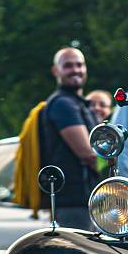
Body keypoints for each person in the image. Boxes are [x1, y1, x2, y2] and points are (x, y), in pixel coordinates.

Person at [39, 47, 99, 230]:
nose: (76, 70)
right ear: (55, 71)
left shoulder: (79, 103)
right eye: (68, 66)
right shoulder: (63, 104)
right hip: (73, 203)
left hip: (85, 199)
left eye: (80, 65)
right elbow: (87, 153)